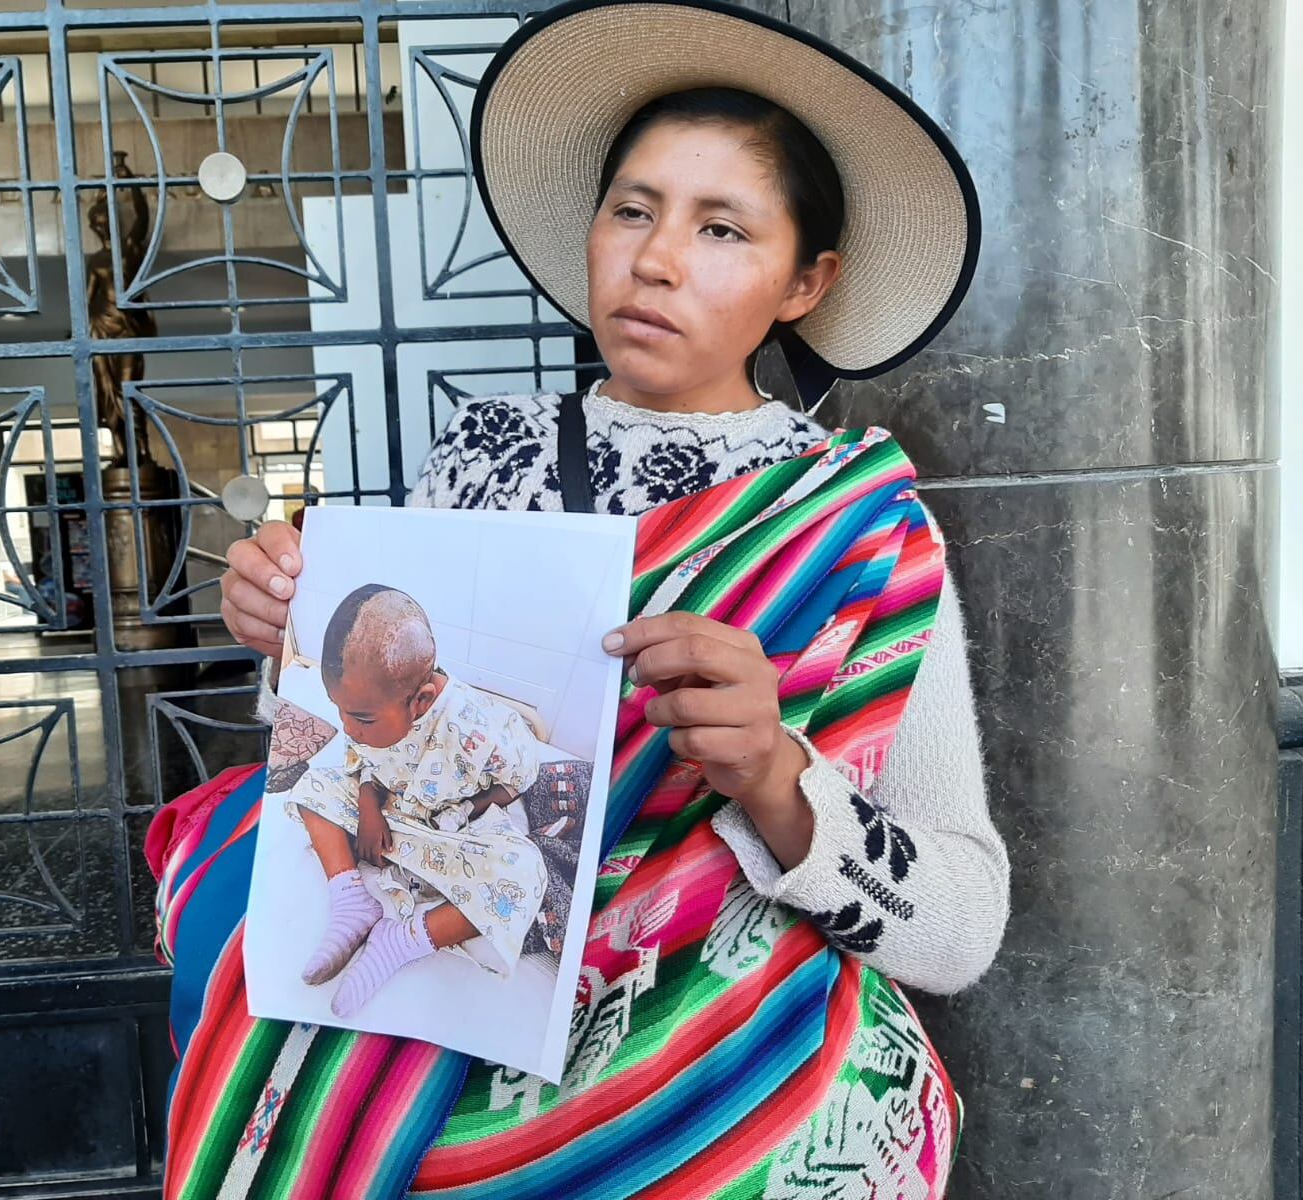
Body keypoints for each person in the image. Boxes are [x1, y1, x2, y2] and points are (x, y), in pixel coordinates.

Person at [154, 2, 1010, 1196]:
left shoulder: (855, 531)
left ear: (805, 281)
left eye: (721, 229)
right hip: (446, 1063)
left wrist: (775, 775)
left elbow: (959, 926)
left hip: (722, 1072)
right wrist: (286, 635)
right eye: (631, 209)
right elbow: (354, 740)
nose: (655, 258)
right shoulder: (479, 461)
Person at [281, 584, 548, 1017]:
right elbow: (362, 760)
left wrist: (468, 810)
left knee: (524, 874)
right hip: (392, 819)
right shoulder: (368, 712)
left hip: (452, 830)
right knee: (312, 785)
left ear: (421, 701)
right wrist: (369, 806)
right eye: (340, 710)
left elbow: (520, 777)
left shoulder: (477, 732)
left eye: (361, 718)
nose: (348, 727)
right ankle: (352, 899)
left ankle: (402, 940)